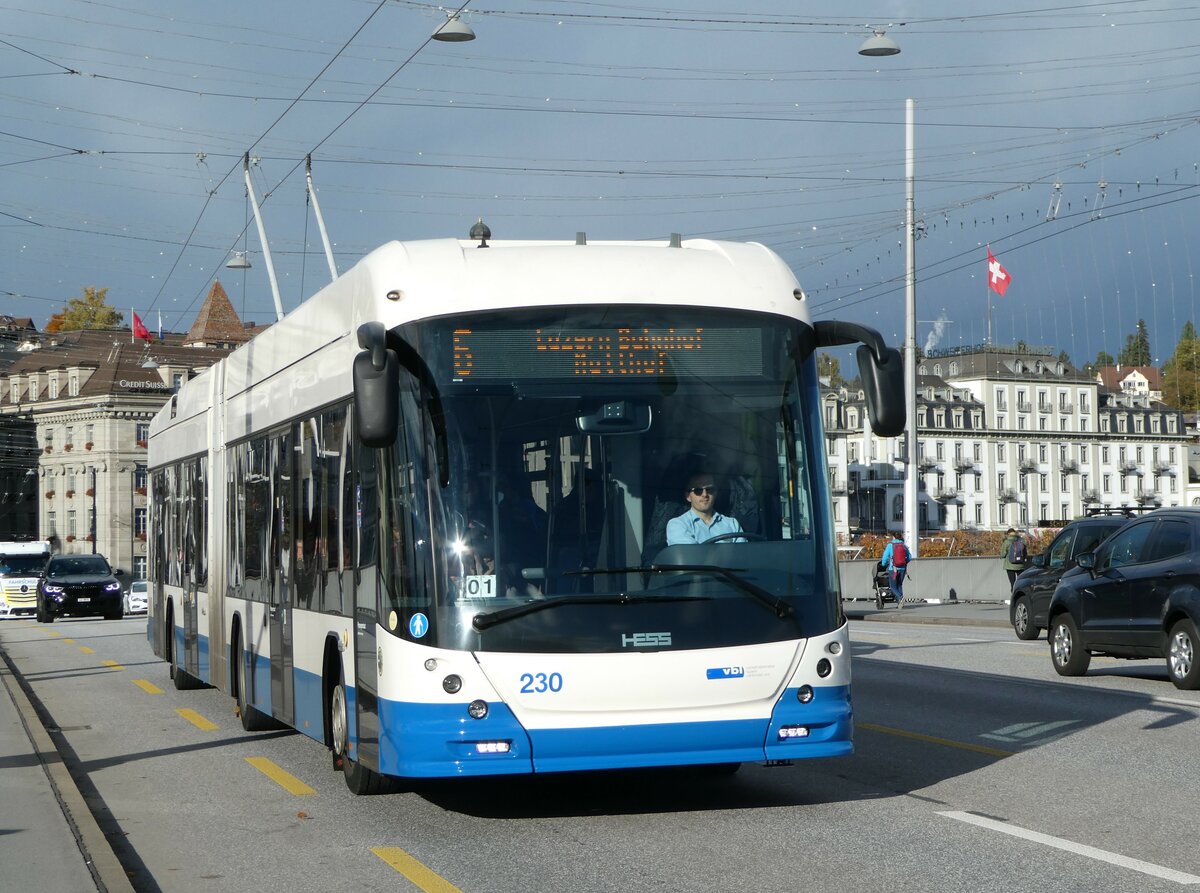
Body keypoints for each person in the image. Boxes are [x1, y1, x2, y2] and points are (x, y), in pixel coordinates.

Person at [665, 473, 744, 545]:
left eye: (709, 490)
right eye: (698, 490)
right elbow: (690, 557)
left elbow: (742, 555)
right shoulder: (678, 524)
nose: (705, 494)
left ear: (715, 493)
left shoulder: (733, 524)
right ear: (688, 496)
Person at [880, 533, 910, 607]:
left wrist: (883, 564)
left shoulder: (890, 545)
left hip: (893, 568)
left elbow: (885, 557)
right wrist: (904, 563)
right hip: (902, 568)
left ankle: (900, 598)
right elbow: (910, 557)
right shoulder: (904, 546)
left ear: (894, 537)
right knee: (899, 585)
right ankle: (900, 603)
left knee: (893, 586)